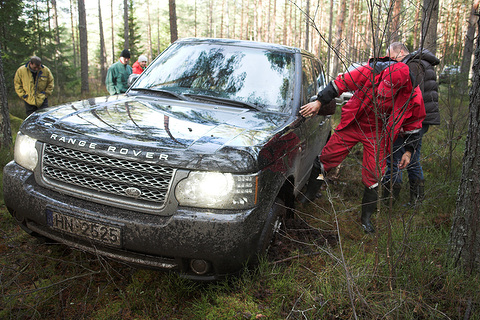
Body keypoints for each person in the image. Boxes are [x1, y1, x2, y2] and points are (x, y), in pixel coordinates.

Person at [298, 56, 426, 233]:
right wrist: (319, 101)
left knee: (374, 174)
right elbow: (339, 84)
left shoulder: (413, 94)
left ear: (401, 87)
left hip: (378, 132)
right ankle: (310, 194)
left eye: (390, 89)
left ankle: (366, 218)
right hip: (354, 123)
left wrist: (409, 151)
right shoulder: (370, 71)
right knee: (325, 161)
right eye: (384, 86)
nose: (384, 92)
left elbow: (414, 123)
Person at [384, 42, 440, 206]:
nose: (391, 62)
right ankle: (416, 201)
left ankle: (389, 201)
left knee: (395, 157)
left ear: (401, 52)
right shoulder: (420, 63)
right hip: (420, 119)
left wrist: (402, 122)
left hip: (413, 120)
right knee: (412, 157)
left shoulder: (413, 66)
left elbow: (412, 97)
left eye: (392, 58)